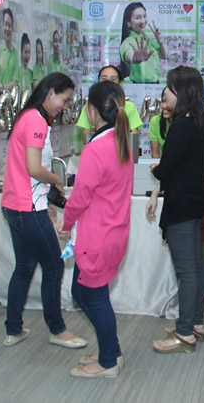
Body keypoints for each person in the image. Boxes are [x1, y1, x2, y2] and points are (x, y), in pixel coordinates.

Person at [0, 72, 86, 349]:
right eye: (65, 100)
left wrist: (47, 198)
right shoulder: (36, 120)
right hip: (27, 208)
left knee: (24, 267)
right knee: (53, 266)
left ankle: (13, 329)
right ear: (50, 93)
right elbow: (34, 168)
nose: (65, 106)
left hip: (15, 205)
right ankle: (57, 329)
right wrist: (58, 180)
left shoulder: (27, 117)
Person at [57, 80, 133, 378]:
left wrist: (66, 224)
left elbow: (80, 197)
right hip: (112, 233)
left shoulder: (97, 148)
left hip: (96, 236)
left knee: (94, 297)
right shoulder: (120, 142)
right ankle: (111, 350)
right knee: (81, 291)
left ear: (91, 110)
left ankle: (108, 361)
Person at [145, 66, 204, 353]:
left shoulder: (181, 126)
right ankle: (195, 323)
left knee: (187, 270)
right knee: (195, 266)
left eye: (169, 89)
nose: (166, 95)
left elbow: (165, 168)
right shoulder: (198, 122)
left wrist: (156, 169)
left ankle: (184, 333)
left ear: (181, 92)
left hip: (181, 205)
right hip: (194, 203)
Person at [75, 65, 142, 144]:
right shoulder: (91, 106)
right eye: (104, 79)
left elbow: (133, 138)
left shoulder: (130, 107)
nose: (108, 83)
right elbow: (85, 138)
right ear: (98, 81)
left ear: (120, 83)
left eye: (113, 79)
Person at [120, 2, 167, 83]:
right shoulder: (128, 42)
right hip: (139, 86)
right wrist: (135, 58)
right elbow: (128, 55)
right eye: (138, 18)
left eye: (144, 16)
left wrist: (161, 42)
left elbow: (165, 56)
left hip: (156, 84)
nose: (143, 21)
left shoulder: (147, 39)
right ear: (128, 22)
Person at [0, 7, 18, 95]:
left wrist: (3, 87)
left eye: (9, 26)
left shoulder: (15, 54)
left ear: (12, 28)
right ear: (2, 26)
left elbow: (15, 83)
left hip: (13, 99)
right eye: (5, 25)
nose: (7, 29)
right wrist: (6, 87)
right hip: (1, 99)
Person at [149, 94, 171, 159]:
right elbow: (155, 154)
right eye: (163, 101)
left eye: (169, 102)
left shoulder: (188, 122)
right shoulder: (155, 121)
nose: (164, 106)